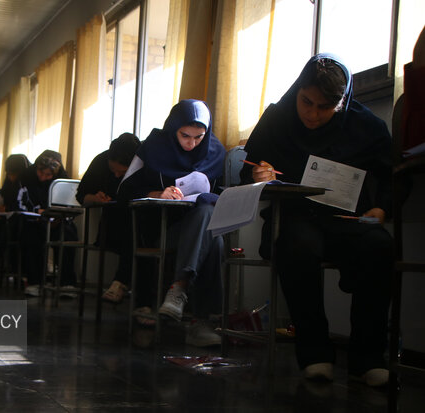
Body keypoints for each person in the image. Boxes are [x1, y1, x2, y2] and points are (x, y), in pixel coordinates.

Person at [240, 54, 393, 387]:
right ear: (298, 90)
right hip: (294, 218)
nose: (312, 113)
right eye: (306, 102)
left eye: (325, 107)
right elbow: (245, 172)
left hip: (347, 220)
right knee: (297, 246)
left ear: (342, 102)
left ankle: (367, 357)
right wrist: (257, 174)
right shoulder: (277, 119)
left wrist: (382, 207)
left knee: (381, 246)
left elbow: (390, 175)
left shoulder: (366, 125)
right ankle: (315, 353)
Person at [118, 99, 226, 346]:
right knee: (214, 240)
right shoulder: (153, 146)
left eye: (199, 137)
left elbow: (222, 191)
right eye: (185, 136)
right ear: (173, 128)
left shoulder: (215, 151)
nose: (192, 144)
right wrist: (158, 193)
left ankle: (178, 288)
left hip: (198, 226)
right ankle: (201, 323)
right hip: (163, 229)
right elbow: (125, 190)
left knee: (209, 222)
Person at [75, 133, 140, 304]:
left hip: (137, 221)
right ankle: (121, 283)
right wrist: (94, 198)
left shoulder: (143, 164)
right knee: (133, 232)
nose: (117, 175)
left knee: (138, 229)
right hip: (112, 223)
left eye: (122, 171)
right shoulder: (100, 161)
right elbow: (81, 195)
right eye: (113, 170)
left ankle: (123, 284)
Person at [18, 150, 78, 296]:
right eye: (40, 173)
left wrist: (58, 218)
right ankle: (35, 281)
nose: (43, 177)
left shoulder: (63, 182)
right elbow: (21, 203)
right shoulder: (27, 178)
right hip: (34, 220)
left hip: (58, 221)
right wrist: (39, 214)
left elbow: (70, 206)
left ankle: (67, 283)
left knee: (69, 233)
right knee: (31, 235)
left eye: (48, 175)